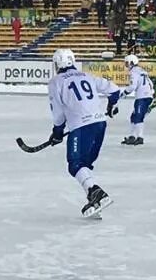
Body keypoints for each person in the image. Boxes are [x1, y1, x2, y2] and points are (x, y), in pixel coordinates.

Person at [38, 48, 121, 216]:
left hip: (81, 126)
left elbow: (58, 112)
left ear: (58, 63)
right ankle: (95, 200)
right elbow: (114, 90)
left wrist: (57, 131)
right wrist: (111, 106)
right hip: (100, 124)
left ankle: (96, 193)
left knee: (75, 164)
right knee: (84, 165)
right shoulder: (86, 76)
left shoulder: (56, 82)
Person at [120, 54, 156, 146]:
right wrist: (151, 93)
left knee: (138, 117)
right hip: (146, 96)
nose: (126, 65)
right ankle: (132, 136)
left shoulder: (134, 72)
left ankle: (140, 137)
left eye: (127, 63)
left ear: (132, 62)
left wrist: (124, 93)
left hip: (142, 97)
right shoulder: (142, 71)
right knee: (134, 116)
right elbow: (150, 83)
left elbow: (132, 86)